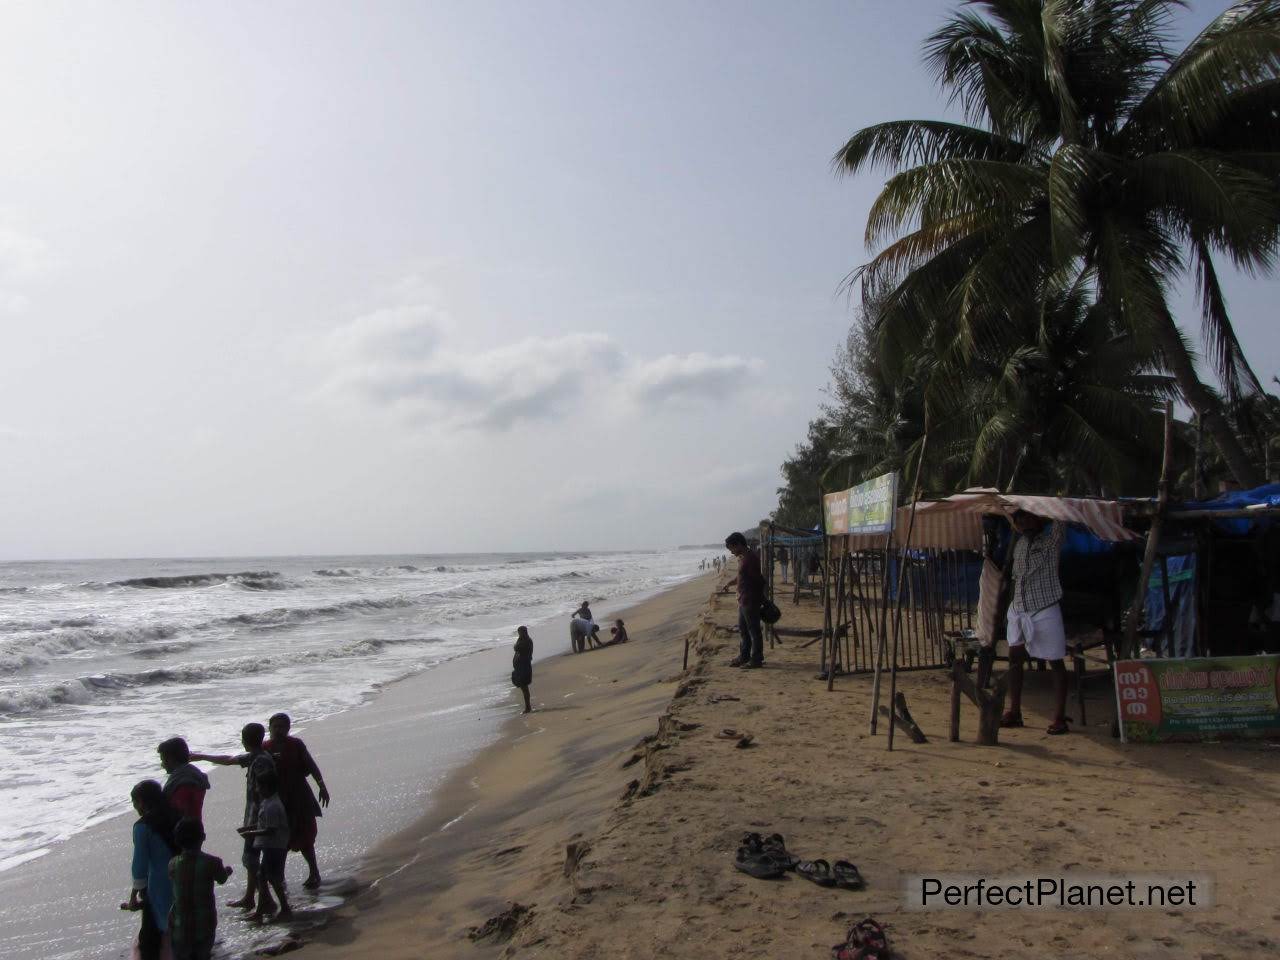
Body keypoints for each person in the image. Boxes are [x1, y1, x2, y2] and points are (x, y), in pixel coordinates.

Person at [190, 722, 275, 910]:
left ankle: (264, 899)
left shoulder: (260, 760)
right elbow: (229, 759)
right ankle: (251, 896)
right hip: (256, 814)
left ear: (245, 740)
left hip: (259, 816)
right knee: (252, 858)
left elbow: (266, 791)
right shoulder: (257, 757)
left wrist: (200, 756)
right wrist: (201, 756)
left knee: (251, 858)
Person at [1000, 510, 1070, 735]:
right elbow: (1016, 578)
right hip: (1019, 608)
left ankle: (1059, 717)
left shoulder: (1051, 542)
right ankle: (1015, 711)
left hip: (1044, 607)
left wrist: (1053, 503)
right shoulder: (1019, 544)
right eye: (1020, 520)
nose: (1024, 523)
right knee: (1014, 658)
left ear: (1039, 520)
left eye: (1029, 518)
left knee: (1055, 661)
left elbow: (1061, 520)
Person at [264, 713, 329, 888]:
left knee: (306, 837)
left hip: (300, 797)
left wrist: (322, 786)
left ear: (288, 729)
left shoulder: (296, 745)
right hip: (278, 801)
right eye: (275, 726)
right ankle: (280, 878)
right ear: (269, 728)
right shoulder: (265, 748)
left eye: (282, 727)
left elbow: (311, 765)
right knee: (281, 840)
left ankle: (314, 873)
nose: (278, 730)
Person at [123, 779, 181, 960]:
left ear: (141, 801)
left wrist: (135, 895)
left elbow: (139, 865)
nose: (135, 807)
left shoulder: (142, 827)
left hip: (158, 883)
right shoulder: (178, 815)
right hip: (184, 875)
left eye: (135, 803)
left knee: (152, 937)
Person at [167, 818, 232, 960]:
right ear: (203, 837)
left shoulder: (173, 864)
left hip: (180, 926)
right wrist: (226, 871)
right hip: (205, 925)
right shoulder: (213, 862)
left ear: (177, 840)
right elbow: (222, 879)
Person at [239, 770, 292, 921]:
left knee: (273, 878)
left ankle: (284, 907)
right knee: (262, 875)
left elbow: (271, 829)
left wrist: (251, 833)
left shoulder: (273, 806)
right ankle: (263, 907)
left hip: (275, 847)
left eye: (259, 787)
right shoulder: (267, 802)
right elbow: (265, 823)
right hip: (270, 846)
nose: (257, 790)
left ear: (267, 787)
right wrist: (250, 828)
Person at [722, 532, 765, 668]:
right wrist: (731, 583)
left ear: (739, 544)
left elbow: (758, 580)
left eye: (732, 549)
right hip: (743, 600)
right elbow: (742, 577)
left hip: (750, 600)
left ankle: (756, 659)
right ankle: (744, 656)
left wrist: (758, 599)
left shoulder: (750, 558)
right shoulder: (743, 558)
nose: (732, 552)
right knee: (744, 630)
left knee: (753, 631)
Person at [158, 737, 210, 823]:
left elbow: (181, 814)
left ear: (171, 759)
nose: (162, 765)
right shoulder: (193, 776)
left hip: (184, 832)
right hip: (195, 828)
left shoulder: (183, 783)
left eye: (163, 760)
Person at [511, 626, 534, 713]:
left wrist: (517, 644)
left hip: (524, 667)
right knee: (523, 687)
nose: (519, 634)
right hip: (521, 667)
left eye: (520, 632)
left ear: (524, 632)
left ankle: (528, 707)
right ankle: (528, 706)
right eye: (519, 632)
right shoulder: (522, 640)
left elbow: (516, 648)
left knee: (524, 687)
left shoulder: (526, 641)